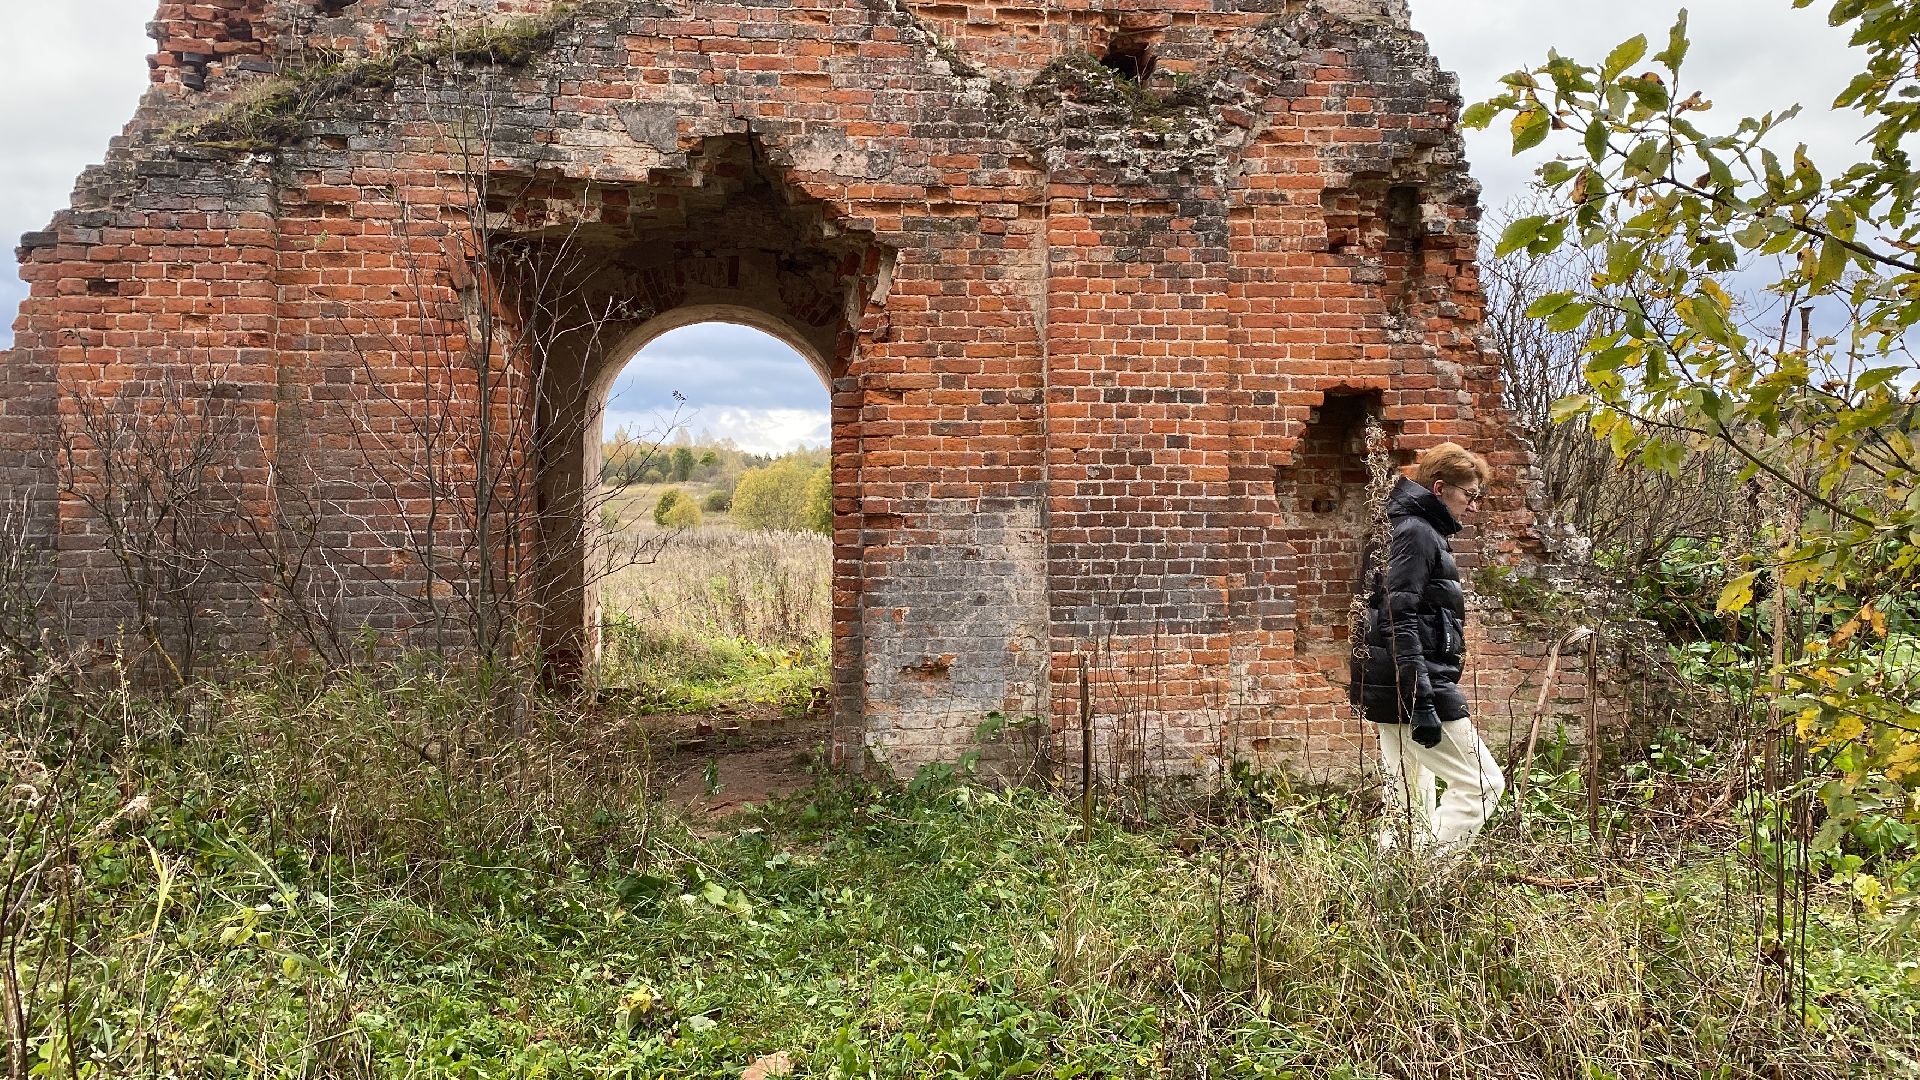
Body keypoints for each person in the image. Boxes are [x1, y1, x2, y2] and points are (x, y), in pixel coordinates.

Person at [1353, 442, 1506, 853]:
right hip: (1415, 685)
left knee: (1407, 799)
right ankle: (1424, 876)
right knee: (1484, 783)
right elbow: (1396, 616)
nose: (1474, 506)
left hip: (1392, 682)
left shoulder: (1404, 526)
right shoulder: (1416, 532)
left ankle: (1389, 895)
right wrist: (1421, 697)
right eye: (1470, 495)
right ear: (1440, 488)